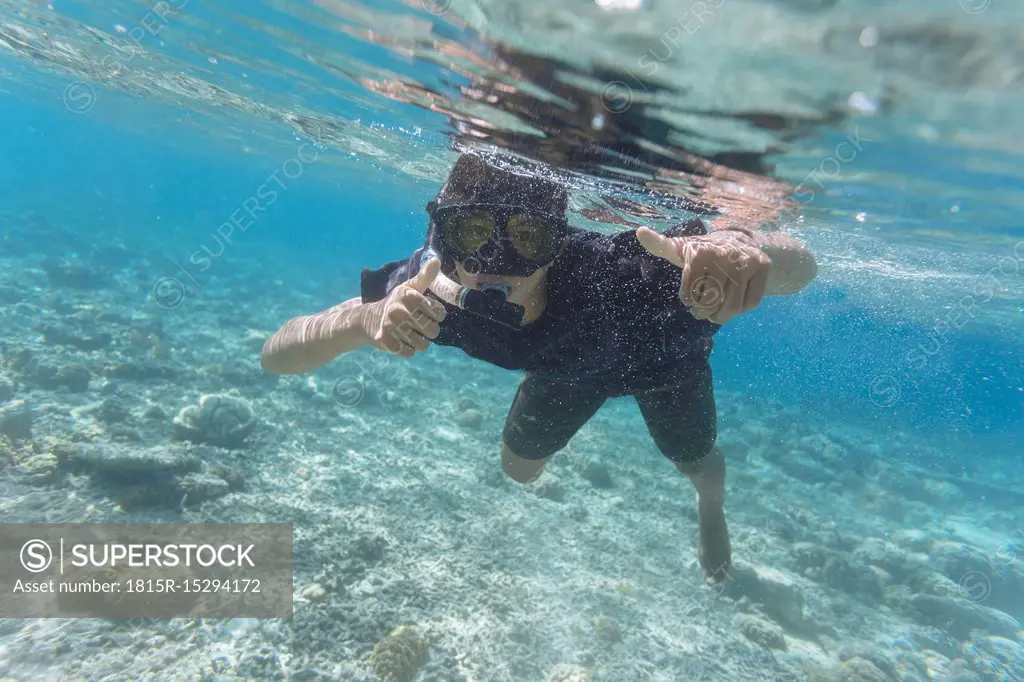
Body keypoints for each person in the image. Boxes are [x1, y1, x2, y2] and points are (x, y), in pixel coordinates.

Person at [260, 152, 818, 582]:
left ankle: (709, 509)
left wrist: (738, 243)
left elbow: (802, 268)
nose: (495, 262)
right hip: (566, 372)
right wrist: (364, 322)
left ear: (560, 242)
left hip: (667, 365)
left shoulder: (624, 270)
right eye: (472, 232)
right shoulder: (425, 296)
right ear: (441, 235)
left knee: (696, 464)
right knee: (518, 470)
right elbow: (277, 355)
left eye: (528, 237)